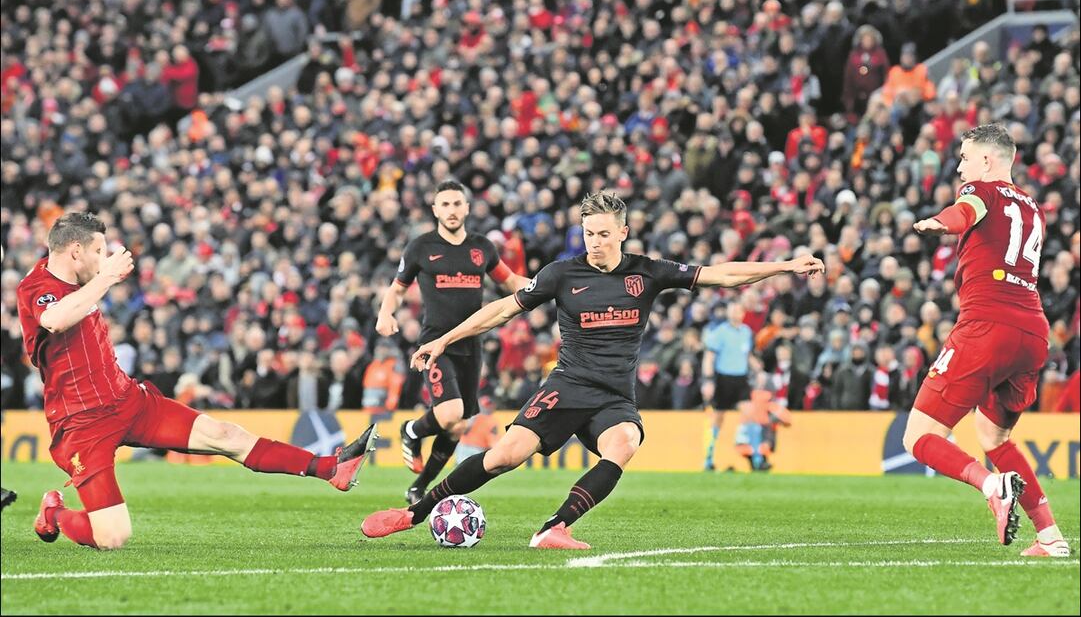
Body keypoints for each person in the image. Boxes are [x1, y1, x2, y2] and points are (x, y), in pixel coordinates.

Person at [361, 190, 824, 549]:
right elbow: (503, 309)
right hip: (568, 385)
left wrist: (785, 266)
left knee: (624, 443)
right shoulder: (563, 274)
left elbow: (721, 273)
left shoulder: (649, 272)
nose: (595, 242)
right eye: (588, 234)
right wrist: (442, 340)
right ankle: (416, 513)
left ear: (623, 232)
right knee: (505, 456)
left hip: (615, 395)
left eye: (604, 234)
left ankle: (554, 527)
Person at [16, 213, 378, 550]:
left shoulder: (84, 283)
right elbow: (55, 320)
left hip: (128, 401)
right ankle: (54, 514)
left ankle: (331, 468)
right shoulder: (36, 287)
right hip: (82, 423)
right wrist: (108, 276)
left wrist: (102, 277)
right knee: (112, 536)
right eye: (99, 251)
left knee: (226, 435)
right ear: (76, 250)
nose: (103, 259)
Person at [907, 124, 1069, 557]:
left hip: (987, 325)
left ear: (986, 160)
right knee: (994, 437)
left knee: (919, 436)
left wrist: (939, 223)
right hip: (1033, 331)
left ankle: (990, 484)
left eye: (963, 157)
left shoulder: (983, 190)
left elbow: (968, 210)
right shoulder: (1033, 206)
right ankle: (1050, 537)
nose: (959, 167)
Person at [376, 180, 528, 505]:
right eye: (445, 205)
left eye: (457, 204)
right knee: (449, 414)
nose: (452, 210)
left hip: (471, 346)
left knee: (457, 426)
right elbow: (398, 287)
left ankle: (420, 486)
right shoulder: (420, 247)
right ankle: (412, 431)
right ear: (435, 210)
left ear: (467, 208)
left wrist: (547, 285)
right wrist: (386, 314)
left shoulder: (482, 248)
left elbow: (510, 281)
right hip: (435, 344)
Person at [701, 302, 754, 471]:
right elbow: (709, 356)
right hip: (724, 378)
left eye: (737, 309)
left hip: (741, 377)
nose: (734, 313)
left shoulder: (746, 332)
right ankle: (708, 456)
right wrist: (708, 380)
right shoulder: (720, 332)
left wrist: (758, 369)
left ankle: (740, 438)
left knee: (748, 410)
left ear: (743, 313)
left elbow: (747, 354)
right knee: (718, 417)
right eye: (732, 310)